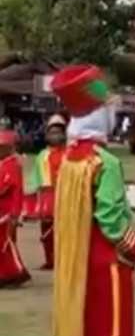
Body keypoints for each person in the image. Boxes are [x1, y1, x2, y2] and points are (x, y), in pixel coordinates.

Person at [49, 64, 135, 336]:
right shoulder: (104, 162)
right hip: (107, 264)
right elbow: (109, 215)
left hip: (76, 263)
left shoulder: (69, 159)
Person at [27, 114, 68, 270]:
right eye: (52, 132)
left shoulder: (68, 154)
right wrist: (31, 194)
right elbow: (35, 177)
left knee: (63, 231)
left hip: (63, 196)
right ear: (46, 135)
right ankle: (50, 259)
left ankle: (62, 260)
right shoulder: (42, 156)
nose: (55, 136)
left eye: (59, 132)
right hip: (46, 197)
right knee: (46, 231)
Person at [0, 127, 31, 289]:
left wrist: (14, 214)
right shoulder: (6, 163)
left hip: (7, 212)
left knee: (6, 244)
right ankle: (6, 273)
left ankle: (16, 273)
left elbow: (7, 187)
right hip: (4, 211)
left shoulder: (11, 165)